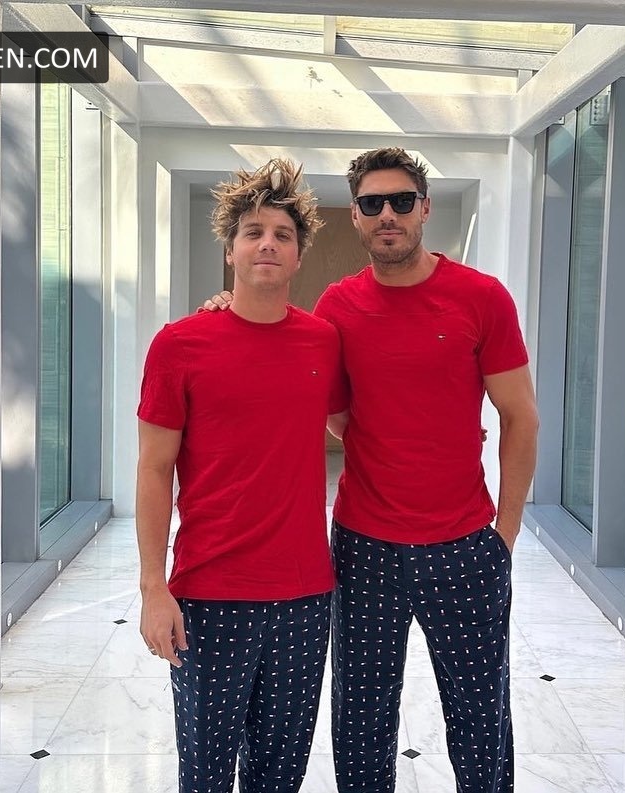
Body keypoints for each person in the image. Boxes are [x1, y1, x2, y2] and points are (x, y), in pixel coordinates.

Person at [207, 147, 539, 793]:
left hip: (465, 545)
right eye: (371, 203)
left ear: (424, 209)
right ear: (356, 216)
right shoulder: (337, 307)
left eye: (401, 201)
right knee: (361, 718)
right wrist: (228, 305)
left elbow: (519, 416)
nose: (387, 214)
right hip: (365, 547)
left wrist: (504, 532)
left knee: (480, 715)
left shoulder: (480, 297)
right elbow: (327, 406)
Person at [136, 158, 348, 793]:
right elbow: (153, 469)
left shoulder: (322, 342)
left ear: (299, 255)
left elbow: (353, 426)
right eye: (253, 232)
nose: (268, 244)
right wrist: (153, 588)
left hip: (305, 596)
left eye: (283, 235)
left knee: (279, 774)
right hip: (209, 593)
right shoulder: (179, 344)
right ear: (230, 249)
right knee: (204, 772)